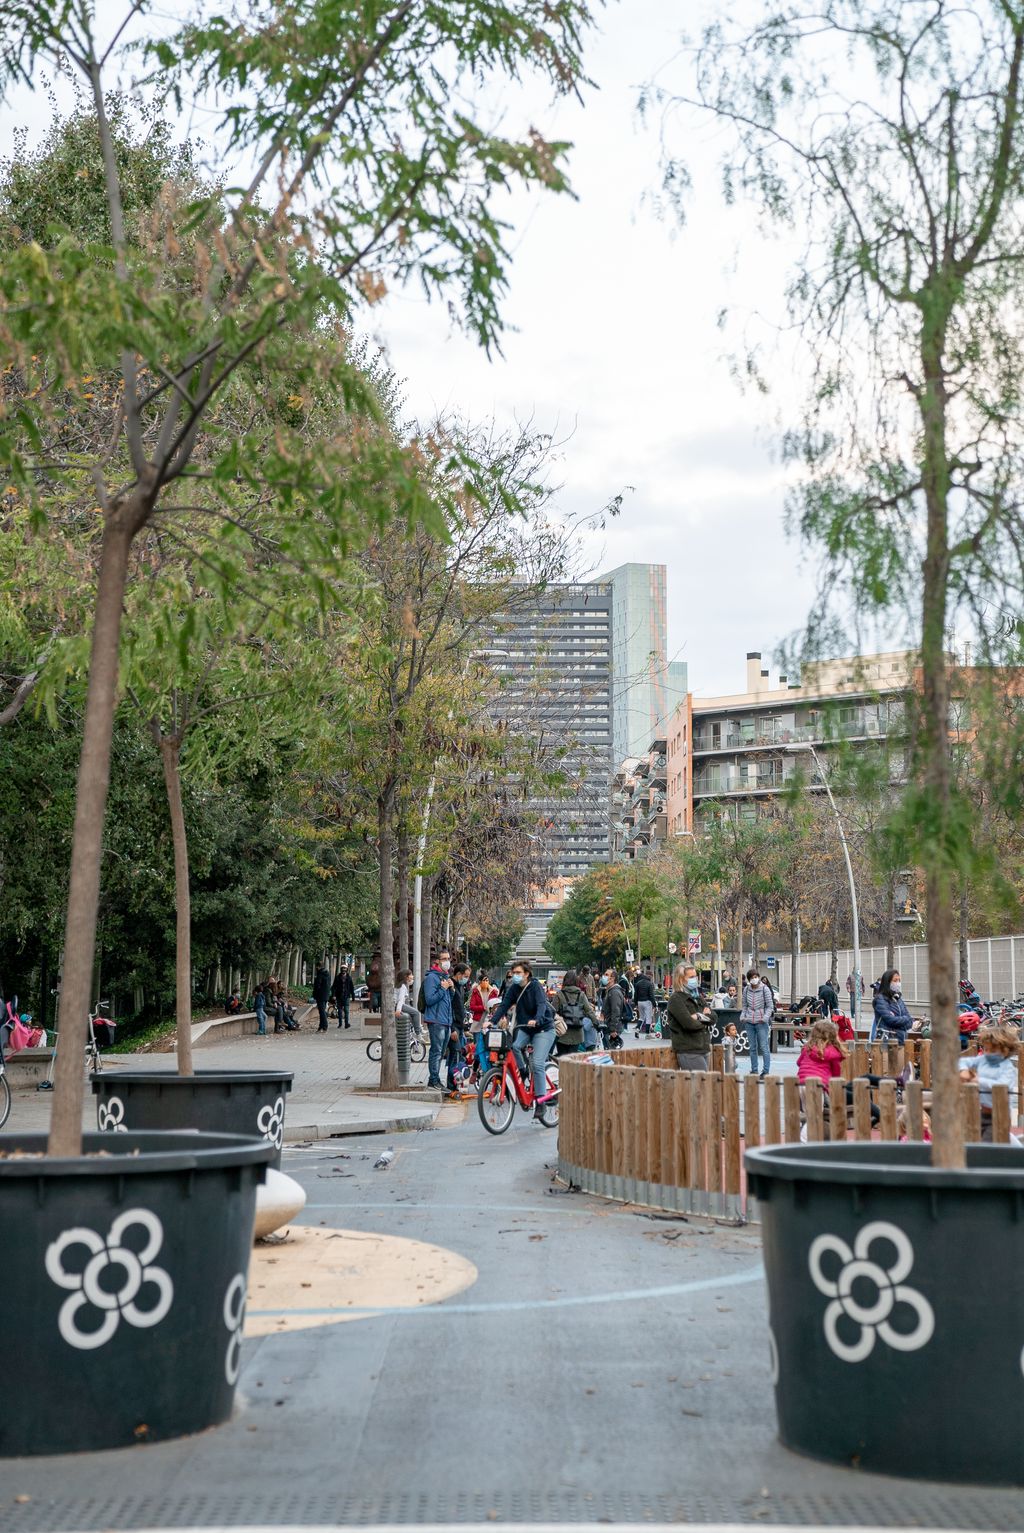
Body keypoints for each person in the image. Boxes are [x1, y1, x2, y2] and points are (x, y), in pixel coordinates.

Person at [797, 1018, 910, 1124]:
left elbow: (799, 1063)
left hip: (808, 1087)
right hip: (825, 1092)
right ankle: (888, 1120)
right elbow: (836, 1077)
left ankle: (897, 1081)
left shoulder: (807, 1049)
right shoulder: (831, 1052)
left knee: (866, 1078)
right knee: (861, 1096)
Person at [490, 959, 557, 1119]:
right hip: (525, 1028)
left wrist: (537, 1019)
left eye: (518, 973)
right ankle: (523, 1070)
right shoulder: (513, 988)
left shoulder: (535, 987)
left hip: (543, 1029)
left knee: (538, 1063)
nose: (515, 976)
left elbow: (541, 1005)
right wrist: (491, 1021)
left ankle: (541, 1101)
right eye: (513, 973)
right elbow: (504, 1005)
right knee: (514, 1047)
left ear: (526, 974)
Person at [959, 1024, 1020, 1129]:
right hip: (982, 1111)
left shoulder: (1008, 1068)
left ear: (1005, 1050)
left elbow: (1001, 1085)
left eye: (992, 1051)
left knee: (992, 1140)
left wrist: (977, 1080)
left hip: (1000, 1114)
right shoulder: (983, 1060)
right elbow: (962, 1061)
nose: (987, 1053)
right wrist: (963, 1070)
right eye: (985, 1049)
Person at [665, 963, 712, 1071]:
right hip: (688, 1049)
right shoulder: (676, 999)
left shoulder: (697, 996)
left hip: (703, 1047)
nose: (695, 979)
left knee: (701, 1084)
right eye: (691, 977)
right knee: (701, 1084)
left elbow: (713, 1017)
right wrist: (704, 1017)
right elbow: (689, 1024)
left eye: (695, 976)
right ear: (681, 979)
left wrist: (698, 1016)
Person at [423, 949, 455, 1089]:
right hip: (436, 1021)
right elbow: (429, 1000)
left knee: (441, 1052)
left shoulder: (445, 977)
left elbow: (448, 1001)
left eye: (448, 958)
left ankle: (435, 1079)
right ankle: (433, 1080)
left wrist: (451, 989)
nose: (447, 961)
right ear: (437, 961)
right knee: (436, 1052)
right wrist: (443, 989)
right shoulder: (432, 977)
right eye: (444, 959)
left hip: (446, 1020)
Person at [552, 969, 601, 1052]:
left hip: (562, 1032)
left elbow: (552, 1012)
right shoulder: (581, 995)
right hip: (577, 1034)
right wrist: (597, 1023)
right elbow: (589, 1011)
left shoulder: (559, 995)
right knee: (572, 1058)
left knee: (562, 1059)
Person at [741, 968, 775, 1078]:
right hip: (749, 1021)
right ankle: (754, 1069)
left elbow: (770, 1006)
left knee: (764, 1047)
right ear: (749, 979)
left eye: (756, 977)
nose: (754, 979)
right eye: (752, 978)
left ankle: (765, 1071)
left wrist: (765, 1018)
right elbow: (745, 1005)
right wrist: (743, 1016)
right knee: (752, 1047)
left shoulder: (765, 989)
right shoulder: (746, 989)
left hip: (761, 1022)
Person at [446, 962, 472, 1095]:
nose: (467, 979)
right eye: (466, 976)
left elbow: (460, 1007)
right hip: (453, 1026)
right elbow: (449, 1009)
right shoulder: (451, 986)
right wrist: (452, 1029)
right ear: (459, 974)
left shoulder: (461, 987)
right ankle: (451, 1085)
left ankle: (451, 1085)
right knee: (456, 1056)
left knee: (456, 1056)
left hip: (460, 1026)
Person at [873, 969, 912, 1045]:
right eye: (895, 980)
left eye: (899, 980)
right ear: (887, 982)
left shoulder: (898, 999)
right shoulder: (880, 999)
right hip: (888, 1042)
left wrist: (903, 1020)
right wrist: (905, 1019)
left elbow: (910, 1022)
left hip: (901, 1041)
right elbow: (891, 1020)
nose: (898, 983)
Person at [469, 972, 496, 1075]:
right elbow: (472, 1006)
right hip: (478, 1021)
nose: (485, 982)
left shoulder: (493, 991)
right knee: (478, 1047)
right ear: (480, 982)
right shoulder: (475, 991)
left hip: (489, 1021)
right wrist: (482, 1008)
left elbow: (496, 1005)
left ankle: (489, 1067)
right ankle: (475, 1070)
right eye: (484, 980)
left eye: (487, 980)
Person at [599, 967, 625, 1048]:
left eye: (606, 975)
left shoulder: (614, 992)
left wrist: (613, 1029)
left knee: (611, 1052)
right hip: (608, 1026)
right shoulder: (610, 991)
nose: (604, 976)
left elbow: (616, 1011)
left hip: (611, 1028)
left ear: (612, 978)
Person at [394, 969, 423, 1041]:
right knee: (416, 1012)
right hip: (398, 1006)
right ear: (406, 977)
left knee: (410, 1016)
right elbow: (400, 1000)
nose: (412, 976)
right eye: (411, 975)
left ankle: (416, 1029)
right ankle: (418, 1033)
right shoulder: (402, 987)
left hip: (397, 1005)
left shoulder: (399, 985)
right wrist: (398, 1010)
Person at [633, 966, 656, 1035]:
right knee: (648, 1018)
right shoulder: (650, 984)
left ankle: (637, 1029)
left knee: (641, 1017)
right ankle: (647, 1033)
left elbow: (635, 994)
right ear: (650, 976)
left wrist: (636, 1003)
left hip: (639, 1002)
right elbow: (651, 995)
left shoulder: (638, 983)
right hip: (647, 1002)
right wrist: (654, 1004)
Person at [332, 964, 355, 1029]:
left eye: (345, 969)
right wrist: (333, 995)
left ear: (346, 970)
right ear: (341, 969)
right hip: (339, 996)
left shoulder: (349, 978)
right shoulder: (337, 977)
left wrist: (353, 996)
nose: (343, 970)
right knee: (339, 1010)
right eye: (342, 968)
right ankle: (340, 1024)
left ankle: (346, 1024)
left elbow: (351, 987)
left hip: (346, 996)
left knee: (346, 1010)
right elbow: (334, 987)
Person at [313, 964, 332, 1032]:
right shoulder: (328, 975)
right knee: (322, 1011)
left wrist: (315, 994)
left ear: (318, 967)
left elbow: (317, 986)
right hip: (326, 995)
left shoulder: (320, 975)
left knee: (322, 1011)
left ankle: (325, 1025)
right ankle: (321, 1026)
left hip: (320, 995)